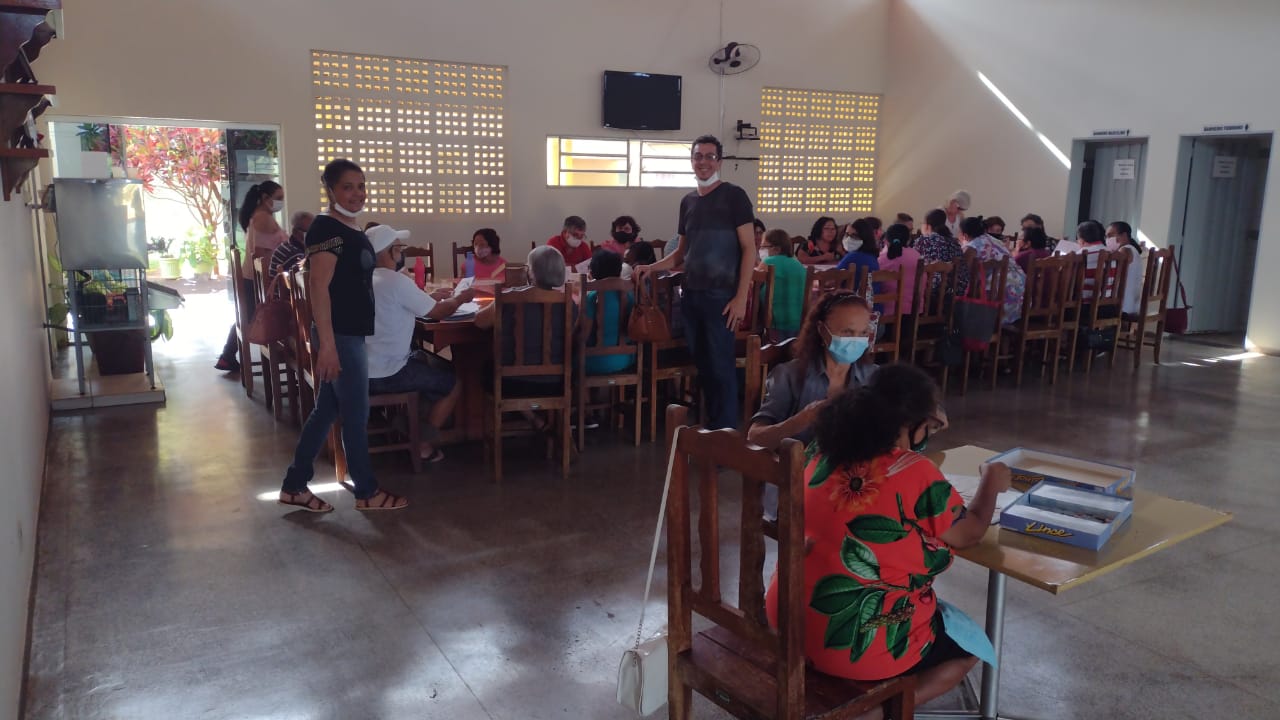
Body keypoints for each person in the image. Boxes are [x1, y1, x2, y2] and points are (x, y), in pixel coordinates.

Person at [765, 363, 1011, 708]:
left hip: (787, 624)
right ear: (911, 424)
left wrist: (920, 419)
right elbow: (969, 533)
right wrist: (991, 481)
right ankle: (880, 712)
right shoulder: (915, 471)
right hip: (852, 648)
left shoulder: (821, 452)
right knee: (969, 649)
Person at [278, 159, 407, 512]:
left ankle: (294, 485)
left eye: (361, 186)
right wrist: (328, 346)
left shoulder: (350, 226)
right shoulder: (326, 228)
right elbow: (318, 286)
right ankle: (367, 491)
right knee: (356, 414)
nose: (357, 193)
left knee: (326, 411)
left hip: (349, 334)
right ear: (331, 190)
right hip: (341, 335)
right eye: (348, 187)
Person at [634, 135, 755, 430]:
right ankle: (711, 430)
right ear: (691, 161)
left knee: (721, 367)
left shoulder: (734, 196)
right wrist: (651, 267)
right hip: (691, 296)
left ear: (719, 162)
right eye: (698, 156)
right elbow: (681, 253)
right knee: (703, 366)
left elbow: (749, 248)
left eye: (710, 156)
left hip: (722, 298)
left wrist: (741, 297)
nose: (704, 162)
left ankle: (725, 436)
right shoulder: (687, 202)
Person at [365, 224, 475, 463]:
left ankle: (409, 424)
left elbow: (400, 304)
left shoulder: (362, 279)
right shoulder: (395, 281)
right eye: (398, 248)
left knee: (432, 363)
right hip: (390, 373)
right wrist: (460, 298)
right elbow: (440, 312)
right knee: (452, 382)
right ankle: (422, 445)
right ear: (389, 252)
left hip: (360, 370)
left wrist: (427, 298)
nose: (401, 252)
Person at [748, 291, 878, 451]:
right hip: (800, 465)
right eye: (847, 332)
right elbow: (754, 438)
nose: (855, 340)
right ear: (822, 330)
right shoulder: (789, 376)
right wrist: (802, 420)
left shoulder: (873, 377)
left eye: (863, 333)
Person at [476, 246, 578, 430]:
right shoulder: (569, 303)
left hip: (512, 383)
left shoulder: (509, 298)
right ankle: (544, 421)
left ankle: (533, 419)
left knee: (485, 369)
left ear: (531, 271)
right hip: (557, 382)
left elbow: (480, 322)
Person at [214, 181, 287, 373]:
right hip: (258, 281)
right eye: (278, 198)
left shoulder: (258, 216)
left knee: (246, 318)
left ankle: (227, 355)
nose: (281, 202)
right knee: (256, 317)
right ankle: (290, 353)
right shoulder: (264, 219)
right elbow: (263, 254)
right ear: (265, 198)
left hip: (251, 278)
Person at [959, 217, 1025, 323]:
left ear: (965, 235)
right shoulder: (996, 241)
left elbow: (962, 273)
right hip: (1021, 294)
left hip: (996, 298)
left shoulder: (972, 247)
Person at [580, 248, 635, 375]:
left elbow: (583, 335)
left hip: (593, 361)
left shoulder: (592, 298)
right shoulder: (629, 296)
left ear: (593, 273)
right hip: (625, 359)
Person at [760, 229, 807, 341]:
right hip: (799, 323)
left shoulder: (769, 262)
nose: (761, 250)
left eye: (764, 247)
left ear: (776, 249)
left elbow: (753, 284)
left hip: (776, 323)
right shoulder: (797, 264)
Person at [915, 208, 969, 293]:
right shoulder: (954, 242)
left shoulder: (923, 241)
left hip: (932, 291)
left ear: (927, 225)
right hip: (955, 291)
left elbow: (914, 264)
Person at [877, 223, 921, 318]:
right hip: (915, 310)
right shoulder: (917, 256)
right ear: (908, 240)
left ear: (886, 240)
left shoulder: (882, 259)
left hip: (888, 311)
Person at [1106, 221, 1145, 316]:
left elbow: (1113, 276)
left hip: (1123, 306)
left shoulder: (1124, 250)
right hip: (1133, 305)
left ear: (1124, 235)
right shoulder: (1133, 249)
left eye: (1110, 236)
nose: (1108, 239)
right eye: (1106, 237)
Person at [268, 210, 313, 282]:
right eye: (309, 231)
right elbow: (305, 281)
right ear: (295, 232)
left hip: (280, 287)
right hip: (283, 289)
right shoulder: (295, 254)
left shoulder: (287, 245)